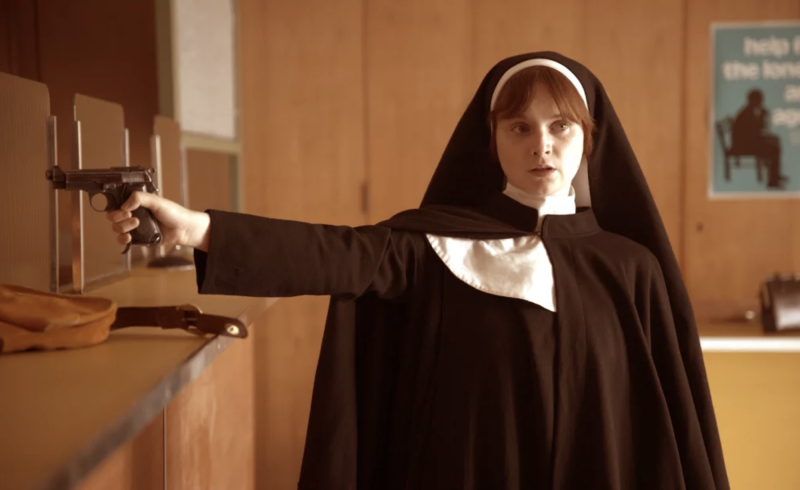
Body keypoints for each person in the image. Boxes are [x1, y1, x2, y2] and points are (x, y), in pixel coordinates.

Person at [108, 52, 730, 490]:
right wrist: (196, 228)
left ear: (588, 139)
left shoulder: (634, 269)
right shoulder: (436, 246)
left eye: (560, 126)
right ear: (493, 142)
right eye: (520, 127)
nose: (541, 145)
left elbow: (668, 423)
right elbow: (334, 254)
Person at [731, 88, 785, 188]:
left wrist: (763, 117)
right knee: (774, 148)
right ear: (753, 101)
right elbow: (753, 133)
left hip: (750, 141)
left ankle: (776, 175)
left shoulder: (752, 110)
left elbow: (758, 130)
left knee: (776, 140)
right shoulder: (745, 114)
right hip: (743, 146)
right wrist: (765, 136)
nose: (761, 102)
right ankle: (772, 181)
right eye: (759, 100)